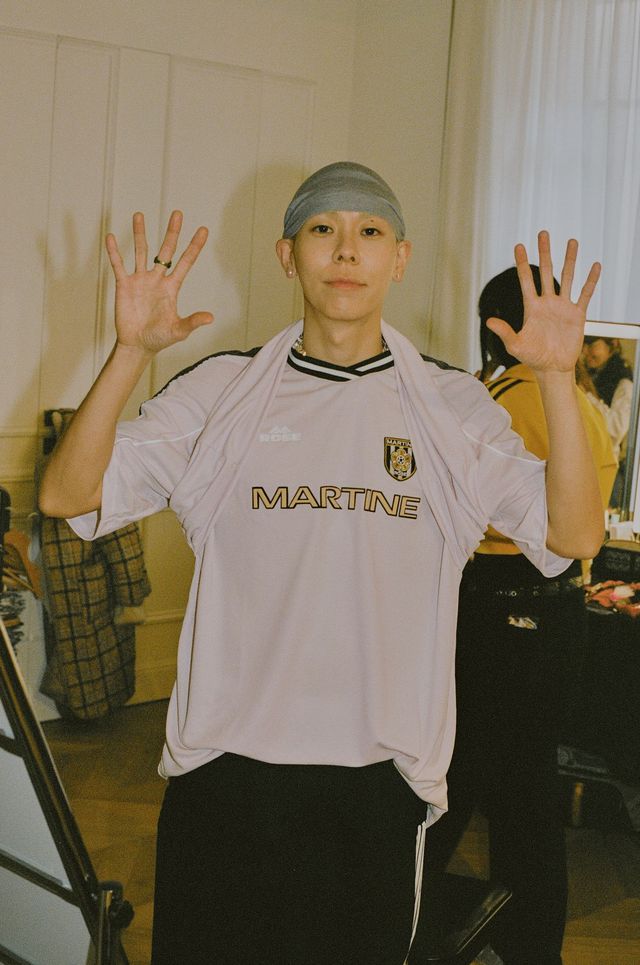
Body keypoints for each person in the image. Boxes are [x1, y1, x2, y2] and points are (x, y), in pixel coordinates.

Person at [38, 161, 604, 965]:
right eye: (322, 229)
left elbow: (574, 535)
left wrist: (555, 377)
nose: (346, 249)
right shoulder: (224, 389)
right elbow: (66, 493)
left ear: (399, 258)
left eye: (369, 230)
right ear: (287, 254)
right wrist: (129, 352)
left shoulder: (450, 406)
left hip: (377, 787)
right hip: (223, 777)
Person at [426, 266, 615, 965]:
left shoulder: (502, 399)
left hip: (503, 605)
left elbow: (459, 502)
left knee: (454, 778)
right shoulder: (583, 404)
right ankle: (531, 946)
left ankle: (402, 926)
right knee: (526, 790)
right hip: (561, 613)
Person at [579, 335, 633, 508]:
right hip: (585, 463)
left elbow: (617, 428)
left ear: (613, 345)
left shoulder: (624, 381)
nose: (585, 351)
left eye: (592, 344)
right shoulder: (591, 374)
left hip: (607, 468)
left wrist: (587, 396)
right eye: (584, 344)